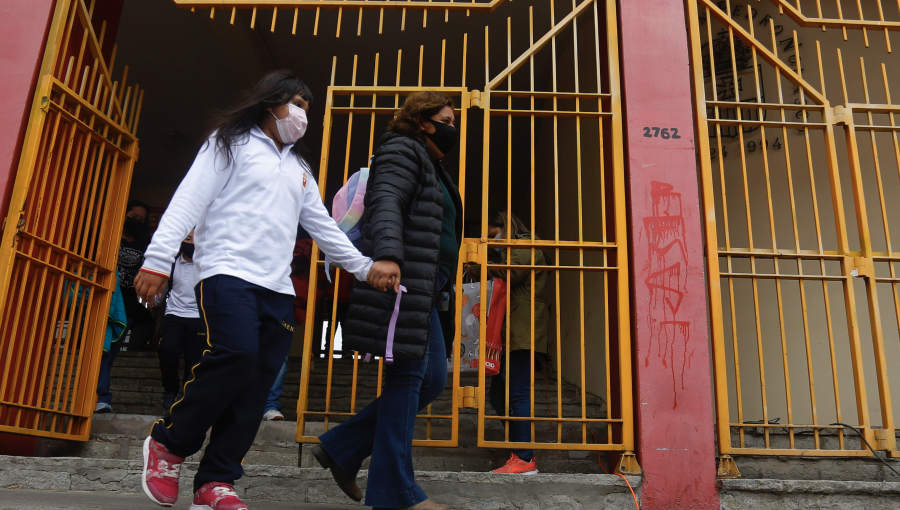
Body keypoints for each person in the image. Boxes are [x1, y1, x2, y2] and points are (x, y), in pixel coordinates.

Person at [132, 70, 398, 510]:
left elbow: (323, 228)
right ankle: (168, 443)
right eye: (296, 104)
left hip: (276, 287)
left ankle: (214, 482)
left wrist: (365, 267)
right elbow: (187, 200)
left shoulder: (298, 168)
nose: (301, 116)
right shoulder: (229, 143)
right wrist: (158, 259)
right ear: (271, 102)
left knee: (257, 384)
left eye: (307, 109)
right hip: (225, 273)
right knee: (234, 355)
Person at [312, 91, 463, 510]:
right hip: (403, 282)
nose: (453, 128)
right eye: (447, 119)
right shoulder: (402, 149)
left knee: (430, 378)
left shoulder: (430, 162)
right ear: (423, 121)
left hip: (425, 289)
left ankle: (341, 446)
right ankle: (396, 493)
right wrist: (389, 257)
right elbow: (387, 203)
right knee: (409, 380)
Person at [468, 211, 550, 475]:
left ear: (505, 227)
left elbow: (512, 275)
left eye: (494, 235)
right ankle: (518, 449)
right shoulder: (509, 251)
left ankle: (525, 457)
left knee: (517, 393)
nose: (493, 241)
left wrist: (480, 263)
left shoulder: (525, 244)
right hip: (509, 334)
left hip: (523, 333)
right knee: (497, 396)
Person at [95, 199, 151, 413]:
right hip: (102, 295)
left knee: (111, 349)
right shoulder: (107, 236)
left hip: (126, 302)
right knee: (98, 348)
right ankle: (97, 395)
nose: (136, 221)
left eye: (141, 219)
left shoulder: (144, 245)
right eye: (133, 216)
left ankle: (100, 396)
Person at [154, 230, 204, 411]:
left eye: (195, 239)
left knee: (195, 360)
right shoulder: (172, 265)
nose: (191, 243)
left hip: (199, 318)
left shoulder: (206, 265)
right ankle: (170, 391)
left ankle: (187, 394)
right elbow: (161, 294)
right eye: (188, 239)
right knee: (167, 350)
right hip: (174, 315)